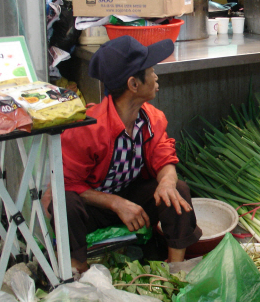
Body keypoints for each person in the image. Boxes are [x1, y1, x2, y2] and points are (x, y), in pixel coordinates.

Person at [49, 35, 202, 273]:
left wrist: (167, 181)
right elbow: (66, 184)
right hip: (96, 208)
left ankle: (175, 269)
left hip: (132, 199)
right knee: (66, 205)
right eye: (151, 71)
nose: (156, 76)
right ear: (134, 84)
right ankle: (79, 273)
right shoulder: (87, 129)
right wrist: (115, 203)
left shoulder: (150, 119)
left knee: (177, 190)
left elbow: (164, 155)